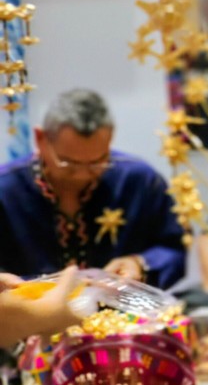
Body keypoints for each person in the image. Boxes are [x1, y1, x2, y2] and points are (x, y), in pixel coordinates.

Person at [0, 89, 187, 288]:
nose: (82, 175)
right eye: (68, 164)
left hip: (119, 307)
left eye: (98, 162)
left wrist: (139, 263)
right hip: (28, 306)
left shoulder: (139, 182)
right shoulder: (5, 190)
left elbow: (175, 249)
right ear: (41, 139)